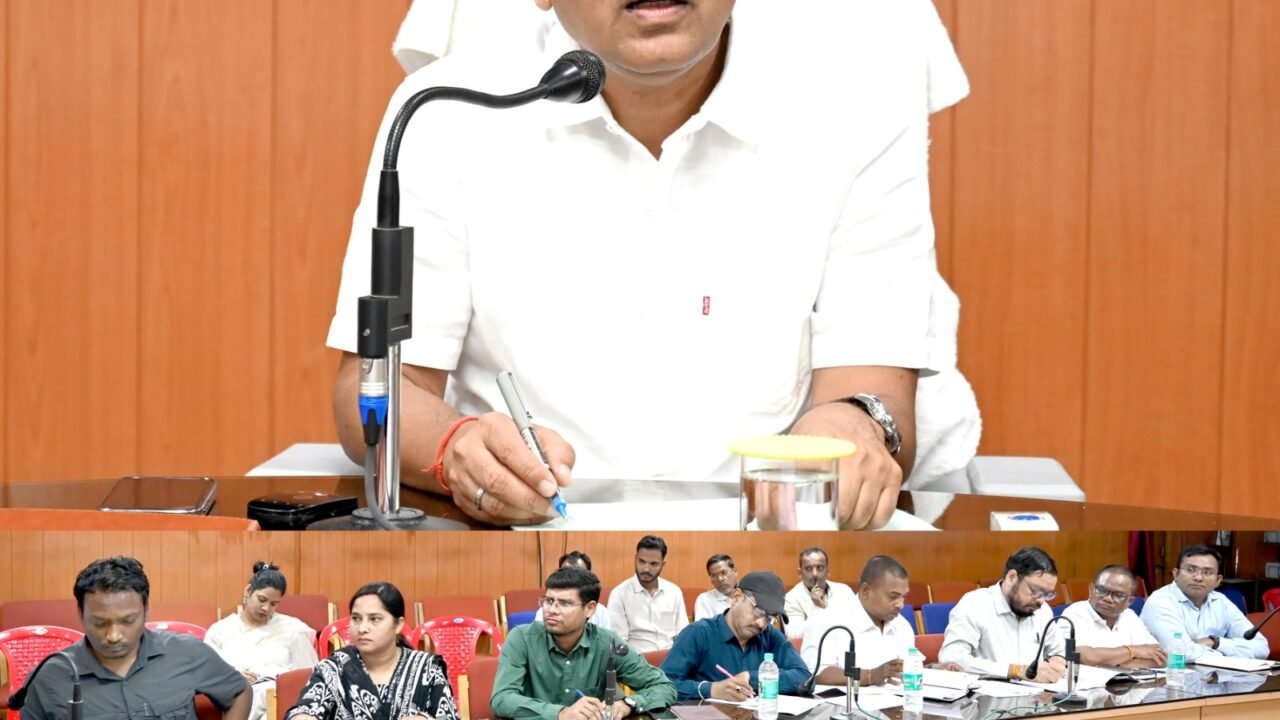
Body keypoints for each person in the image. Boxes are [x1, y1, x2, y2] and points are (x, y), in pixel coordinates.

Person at [328, 0, 979, 531]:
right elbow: (376, 389)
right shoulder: (446, 110)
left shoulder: (857, 107)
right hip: (524, 539)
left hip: (766, 543)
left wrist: (854, 427)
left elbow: (873, 389)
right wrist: (455, 448)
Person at [11, 556, 250, 720]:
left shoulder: (187, 652)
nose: (113, 636)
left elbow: (239, 691)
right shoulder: (48, 678)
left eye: (127, 621)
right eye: (99, 623)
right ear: (80, 613)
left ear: (146, 611)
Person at [492, 566, 676, 720]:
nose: (552, 610)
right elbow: (501, 699)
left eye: (565, 603)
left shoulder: (608, 643)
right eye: (548, 601)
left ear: (590, 609)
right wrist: (561, 714)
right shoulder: (521, 638)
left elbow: (664, 687)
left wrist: (627, 704)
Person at [285, 582, 459, 720]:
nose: (362, 628)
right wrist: (303, 716)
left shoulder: (427, 668)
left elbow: (448, 716)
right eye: (356, 618)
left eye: (374, 619)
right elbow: (306, 708)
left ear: (398, 624)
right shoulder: (334, 668)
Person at [802, 555, 958, 686]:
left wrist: (935, 669)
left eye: (904, 597)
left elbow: (906, 669)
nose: (900, 605)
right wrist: (869, 676)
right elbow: (815, 673)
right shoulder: (826, 620)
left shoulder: (901, 624)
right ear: (865, 591)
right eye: (893, 596)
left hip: (895, 706)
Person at [661, 571, 809, 701]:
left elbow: (805, 678)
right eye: (759, 611)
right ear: (736, 597)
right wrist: (710, 690)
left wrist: (752, 678)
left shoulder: (769, 635)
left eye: (770, 618)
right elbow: (663, 685)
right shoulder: (698, 633)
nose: (761, 624)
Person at [205, 562, 321, 720]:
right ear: (248, 591)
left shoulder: (292, 630)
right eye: (262, 599)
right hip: (235, 699)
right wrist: (233, 678)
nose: (266, 608)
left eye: (273, 604)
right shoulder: (220, 631)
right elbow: (207, 674)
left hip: (279, 703)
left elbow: (306, 677)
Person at [938, 547, 1066, 682]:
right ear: (1012, 578)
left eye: (1047, 594)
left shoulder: (1043, 610)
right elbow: (952, 659)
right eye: (1036, 591)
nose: (1041, 600)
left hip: (1036, 692)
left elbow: (1059, 651)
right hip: (986, 693)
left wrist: (1057, 662)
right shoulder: (975, 604)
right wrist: (1017, 671)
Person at [1139, 545, 1269, 660]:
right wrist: (1230, 651)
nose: (1198, 577)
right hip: (1171, 676)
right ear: (1176, 574)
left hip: (1214, 676)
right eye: (1191, 570)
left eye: (1207, 572)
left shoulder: (1221, 602)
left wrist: (1215, 642)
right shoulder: (1160, 601)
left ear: (1218, 580)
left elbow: (1262, 648)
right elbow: (1181, 652)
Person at [1060, 565, 1166, 669]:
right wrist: (1133, 651)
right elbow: (1086, 657)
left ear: (1129, 601)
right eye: (1102, 590)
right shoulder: (1075, 613)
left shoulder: (1129, 616)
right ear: (1091, 589)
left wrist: (1117, 664)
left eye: (1118, 595)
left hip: (1126, 679)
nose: (1108, 599)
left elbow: (1161, 658)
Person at [608, 536, 688, 652]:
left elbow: (683, 635)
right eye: (641, 561)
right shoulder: (619, 594)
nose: (646, 569)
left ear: (663, 564)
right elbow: (619, 643)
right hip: (637, 658)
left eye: (653, 564)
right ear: (635, 559)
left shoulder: (674, 592)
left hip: (670, 656)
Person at [784, 547, 855, 639]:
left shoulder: (844, 591)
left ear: (828, 571)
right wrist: (819, 609)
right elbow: (793, 636)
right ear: (800, 573)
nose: (815, 574)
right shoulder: (791, 599)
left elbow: (857, 623)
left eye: (820, 568)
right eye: (808, 569)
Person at [534, 551, 613, 629]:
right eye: (565, 573)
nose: (571, 578)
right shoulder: (546, 611)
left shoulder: (601, 612)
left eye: (566, 604)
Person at [694, 554, 737, 621]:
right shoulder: (705, 599)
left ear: (735, 571)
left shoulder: (747, 596)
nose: (720, 579)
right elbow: (702, 627)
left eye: (724, 573)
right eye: (713, 576)